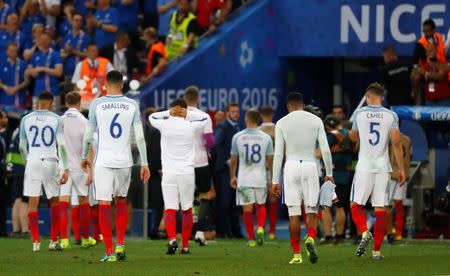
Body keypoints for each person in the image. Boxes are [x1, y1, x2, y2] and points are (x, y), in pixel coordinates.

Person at [81, 70, 150, 262]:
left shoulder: (97, 104)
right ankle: (120, 244)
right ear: (122, 85)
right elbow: (140, 137)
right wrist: (144, 163)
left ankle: (110, 252)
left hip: (103, 161)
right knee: (121, 201)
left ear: (105, 83)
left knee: (104, 204)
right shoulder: (132, 105)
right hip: (125, 162)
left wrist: (84, 156)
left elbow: (88, 136)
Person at [271, 92, 333, 265]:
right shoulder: (316, 121)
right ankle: (311, 237)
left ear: (287, 106)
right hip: (310, 165)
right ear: (303, 104)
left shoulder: (282, 122)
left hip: (290, 166)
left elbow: (278, 155)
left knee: (293, 214)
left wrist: (275, 181)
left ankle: (297, 255)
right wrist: (329, 173)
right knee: (312, 209)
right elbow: (326, 150)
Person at [349, 82, 405, 260]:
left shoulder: (359, 113)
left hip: (365, 165)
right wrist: (401, 168)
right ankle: (376, 251)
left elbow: (353, 137)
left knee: (355, 205)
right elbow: (396, 142)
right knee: (380, 208)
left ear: (367, 96)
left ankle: (365, 232)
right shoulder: (391, 115)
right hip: (383, 167)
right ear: (382, 97)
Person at [149, 98, 208, 254]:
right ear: (183, 109)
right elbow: (205, 118)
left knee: (170, 209)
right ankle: (186, 246)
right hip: (186, 172)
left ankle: (172, 240)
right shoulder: (190, 126)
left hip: (168, 173)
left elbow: (151, 117)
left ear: (173, 109)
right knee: (187, 208)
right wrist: (189, 113)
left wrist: (168, 112)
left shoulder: (164, 124)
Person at [19, 91, 69, 251]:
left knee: (33, 202)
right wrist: (66, 167)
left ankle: (35, 242)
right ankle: (53, 241)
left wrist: (28, 159)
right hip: (50, 161)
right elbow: (61, 145)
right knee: (54, 201)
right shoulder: (56, 118)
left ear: (38, 103)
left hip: (32, 160)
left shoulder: (25, 119)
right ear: (51, 104)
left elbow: (21, 146)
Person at [229, 108, 273, 247]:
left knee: (247, 209)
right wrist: (271, 177)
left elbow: (233, 160)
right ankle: (260, 227)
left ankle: (252, 239)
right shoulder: (266, 138)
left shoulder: (238, 137)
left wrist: (232, 176)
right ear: (258, 120)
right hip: (260, 177)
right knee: (260, 206)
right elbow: (270, 159)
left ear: (246, 119)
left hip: (244, 179)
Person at [58, 92, 97, 249]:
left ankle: (64, 239)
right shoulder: (85, 121)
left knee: (63, 202)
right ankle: (86, 238)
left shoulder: (59, 121)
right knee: (83, 202)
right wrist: (91, 172)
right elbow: (90, 148)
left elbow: (59, 144)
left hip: (64, 167)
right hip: (81, 168)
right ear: (80, 103)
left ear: (65, 103)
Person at [183, 86, 214, 246]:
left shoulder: (179, 116)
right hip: (201, 161)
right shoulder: (204, 116)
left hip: (183, 162)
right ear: (198, 98)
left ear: (184, 98)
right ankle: (200, 232)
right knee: (205, 196)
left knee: (186, 198)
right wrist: (207, 148)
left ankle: (185, 234)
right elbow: (210, 141)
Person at [320, 115, 353, 245]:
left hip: (331, 174)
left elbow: (319, 152)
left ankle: (328, 237)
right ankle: (340, 237)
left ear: (328, 126)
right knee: (340, 207)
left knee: (326, 207)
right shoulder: (350, 134)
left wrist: (333, 149)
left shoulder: (331, 135)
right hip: (346, 174)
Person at [213, 102, 242, 238]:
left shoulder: (238, 127)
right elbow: (215, 145)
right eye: (233, 111)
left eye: (237, 111)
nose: (236, 114)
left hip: (237, 169)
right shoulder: (223, 126)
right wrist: (227, 160)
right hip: (224, 170)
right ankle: (223, 231)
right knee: (224, 202)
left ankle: (235, 231)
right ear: (227, 113)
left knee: (235, 202)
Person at [25, 31, 63, 110]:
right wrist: (31, 71)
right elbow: (27, 71)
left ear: (50, 41)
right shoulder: (35, 55)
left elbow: (59, 72)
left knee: (54, 118)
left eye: (46, 39)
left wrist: (43, 69)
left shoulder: (55, 54)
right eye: (42, 39)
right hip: (37, 93)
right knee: (36, 118)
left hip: (52, 93)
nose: (43, 41)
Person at [72, 43, 114, 110]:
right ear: (86, 52)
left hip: (104, 97)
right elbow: (76, 85)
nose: (95, 53)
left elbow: (114, 80)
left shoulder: (106, 63)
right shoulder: (80, 65)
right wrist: (74, 102)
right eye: (93, 51)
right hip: (86, 100)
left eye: (96, 51)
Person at [386, 132, 411, 244]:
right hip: (404, 173)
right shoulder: (408, 139)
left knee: (385, 204)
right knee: (399, 204)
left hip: (391, 173)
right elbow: (410, 156)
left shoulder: (389, 138)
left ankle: (388, 232)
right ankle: (399, 233)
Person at [258, 105, 278, 240]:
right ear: (272, 114)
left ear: (261, 115)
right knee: (273, 201)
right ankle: (272, 231)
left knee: (260, 201)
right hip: (275, 169)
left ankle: (261, 227)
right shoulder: (278, 129)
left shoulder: (257, 131)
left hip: (258, 170)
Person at [143, 107, 163, 239]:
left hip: (149, 170)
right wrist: (159, 168)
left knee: (152, 202)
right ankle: (152, 229)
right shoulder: (155, 132)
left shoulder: (147, 131)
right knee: (157, 202)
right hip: (155, 172)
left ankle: (151, 229)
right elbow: (155, 153)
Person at [6, 126, 29, 238]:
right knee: (24, 199)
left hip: (16, 170)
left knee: (18, 198)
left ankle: (16, 230)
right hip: (24, 170)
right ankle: (25, 230)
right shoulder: (23, 133)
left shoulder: (15, 132)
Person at [60, 12, 90, 79]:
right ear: (72, 22)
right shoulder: (66, 36)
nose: (78, 22)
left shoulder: (86, 37)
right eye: (76, 20)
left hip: (81, 72)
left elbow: (88, 55)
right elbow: (61, 55)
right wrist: (68, 53)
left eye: (80, 21)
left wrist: (73, 51)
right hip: (67, 72)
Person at [0, 42, 29, 108]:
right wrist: (6, 88)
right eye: (11, 51)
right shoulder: (2, 64)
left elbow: (27, 81)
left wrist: (16, 88)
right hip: (4, 100)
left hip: (20, 100)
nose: (13, 53)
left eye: (15, 51)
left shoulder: (23, 64)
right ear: (7, 51)